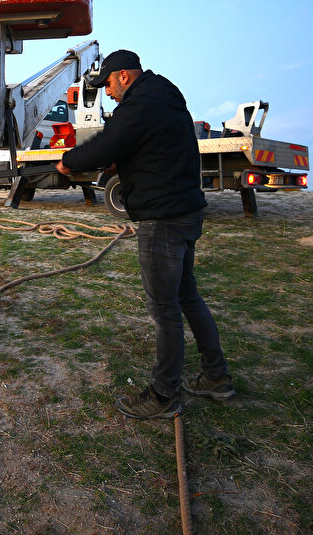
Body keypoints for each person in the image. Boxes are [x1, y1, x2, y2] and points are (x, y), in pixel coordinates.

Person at [56, 50, 234, 419]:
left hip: (163, 219)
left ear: (123, 76)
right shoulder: (165, 98)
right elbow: (149, 148)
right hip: (185, 212)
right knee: (187, 296)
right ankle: (216, 377)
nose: (107, 93)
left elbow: (107, 144)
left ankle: (164, 394)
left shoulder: (139, 106)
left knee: (164, 308)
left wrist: (68, 161)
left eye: (107, 84)